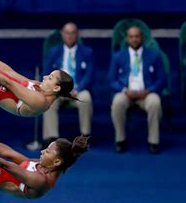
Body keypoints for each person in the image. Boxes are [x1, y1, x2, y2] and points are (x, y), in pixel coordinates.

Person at [108, 26, 166, 154]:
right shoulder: (118, 56)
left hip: (146, 93)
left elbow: (161, 79)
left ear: (142, 38)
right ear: (127, 39)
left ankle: (153, 141)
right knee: (117, 103)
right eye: (131, 37)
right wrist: (124, 90)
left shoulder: (154, 55)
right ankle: (120, 139)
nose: (134, 39)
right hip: (126, 93)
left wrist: (149, 90)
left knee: (155, 103)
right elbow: (111, 80)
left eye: (137, 36)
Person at [42, 22, 94, 146]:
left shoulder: (87, 52)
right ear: (62, 35)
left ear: (77, 34)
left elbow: (89, 75)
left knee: (86, 98)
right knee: (47, 101)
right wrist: (58, 90)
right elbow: (46, 72)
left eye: (73, 33)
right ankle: (51, 138)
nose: (70, 36)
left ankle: (84, 137)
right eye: (67, 33)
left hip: (78, 90)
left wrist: (76, 89)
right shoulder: (53, 52)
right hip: (57, 91)